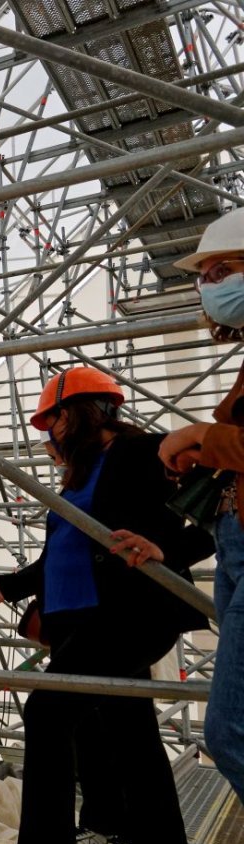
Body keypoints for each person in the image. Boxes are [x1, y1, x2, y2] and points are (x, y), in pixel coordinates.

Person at [0, 367, 206, 844]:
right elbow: (62, 551)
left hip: (125, 617)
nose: (48, 433)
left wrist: (164, 550)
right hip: (86, 619)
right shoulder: (81, 478)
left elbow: (214, 513)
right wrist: (10, 586)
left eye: (52, 419)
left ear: (80, 412)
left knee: (48, 709)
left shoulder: (140, 453)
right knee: (133, 736)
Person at [160, 209, 244, 806]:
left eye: (225, 270)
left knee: (230, 730)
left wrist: (198, 437)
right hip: (234, 539)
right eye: (205, 275)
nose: (210, 285)